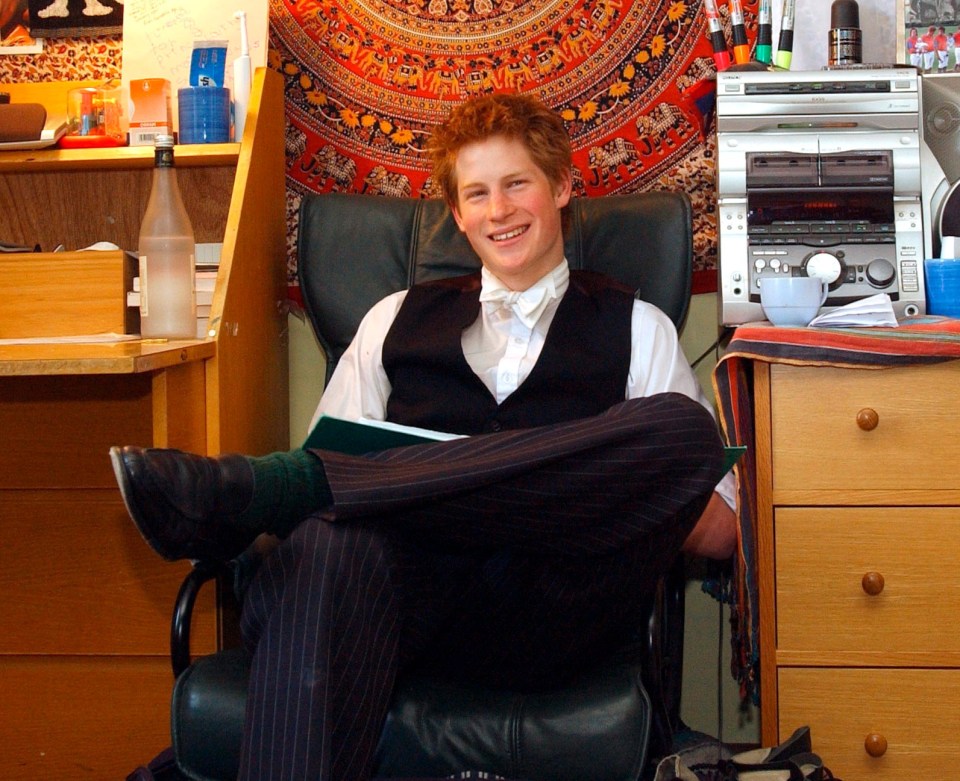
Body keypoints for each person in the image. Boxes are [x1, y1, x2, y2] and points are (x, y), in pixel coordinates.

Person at [111, 92, 737, 781]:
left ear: (560, 186)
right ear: (457, 212)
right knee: (323, 539)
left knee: (681, 432)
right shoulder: (390, 320)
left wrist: (583, 486)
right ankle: (304, 484)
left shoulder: (637, 325)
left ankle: (264, 484)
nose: (498, 210)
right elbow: (325, 508)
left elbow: (720, 530)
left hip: (552, 616)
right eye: (476, 193)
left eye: (516, 183)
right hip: (399, 610)